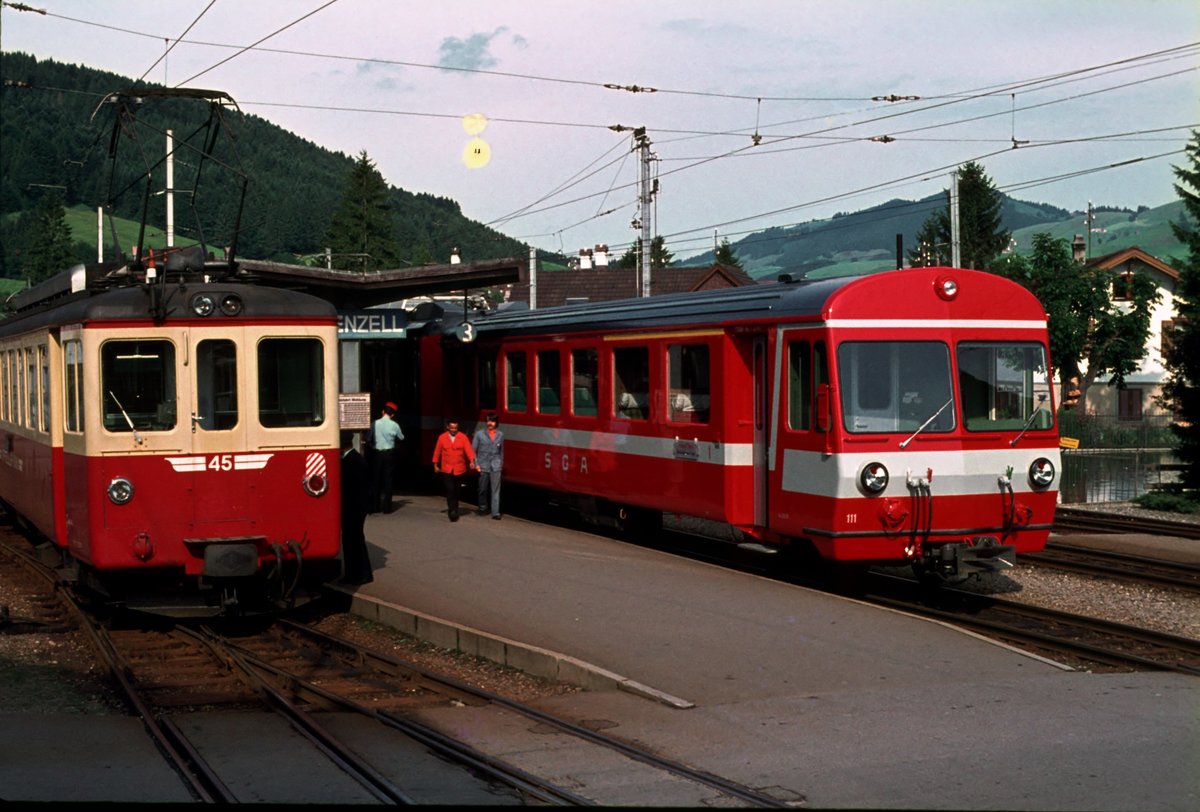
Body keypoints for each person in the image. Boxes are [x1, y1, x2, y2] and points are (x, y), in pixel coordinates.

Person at [339, 431, 373, 585]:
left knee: (354, 541)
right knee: (354, 540)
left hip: (353, 508)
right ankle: (356, 574)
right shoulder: (355, 459)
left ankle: (359, 574)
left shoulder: (351, 461)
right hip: (356, 507)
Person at [431, 417, 476, 522]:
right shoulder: (442, 438)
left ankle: (455, 508)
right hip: (446, 469)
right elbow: (437, 452)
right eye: (451, 428)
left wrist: (472, 461)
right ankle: (452, 511)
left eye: (455, 428)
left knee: (457, 490)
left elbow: (468, 450)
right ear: (447, 427)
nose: (453, 430)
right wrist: (435, 465)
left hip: (459, 469)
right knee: (450, 489)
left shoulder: (463, 437)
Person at [369, 401, 404, 514]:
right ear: (392, 415)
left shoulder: (375, 423)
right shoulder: (395, 425)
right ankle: (387, 508)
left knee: (376, 480)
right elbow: (401, 438)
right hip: (390, 454)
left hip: (377, 454)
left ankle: (375, 507)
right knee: (388, 480)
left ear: (382, 412)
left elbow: (368, 437)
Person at [472, 412, 504, 519]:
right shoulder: (479, 434)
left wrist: (500, 464)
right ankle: (482, 507)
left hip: (495, 465)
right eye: (488, 421)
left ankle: (495, 512)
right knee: (482, 489)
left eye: (493, 421)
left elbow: (501, 451)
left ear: (496, 423)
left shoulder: (500, 435)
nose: (490, 423)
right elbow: (473, 450)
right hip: (482, 465)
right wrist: (476, 464)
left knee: (495, 490)